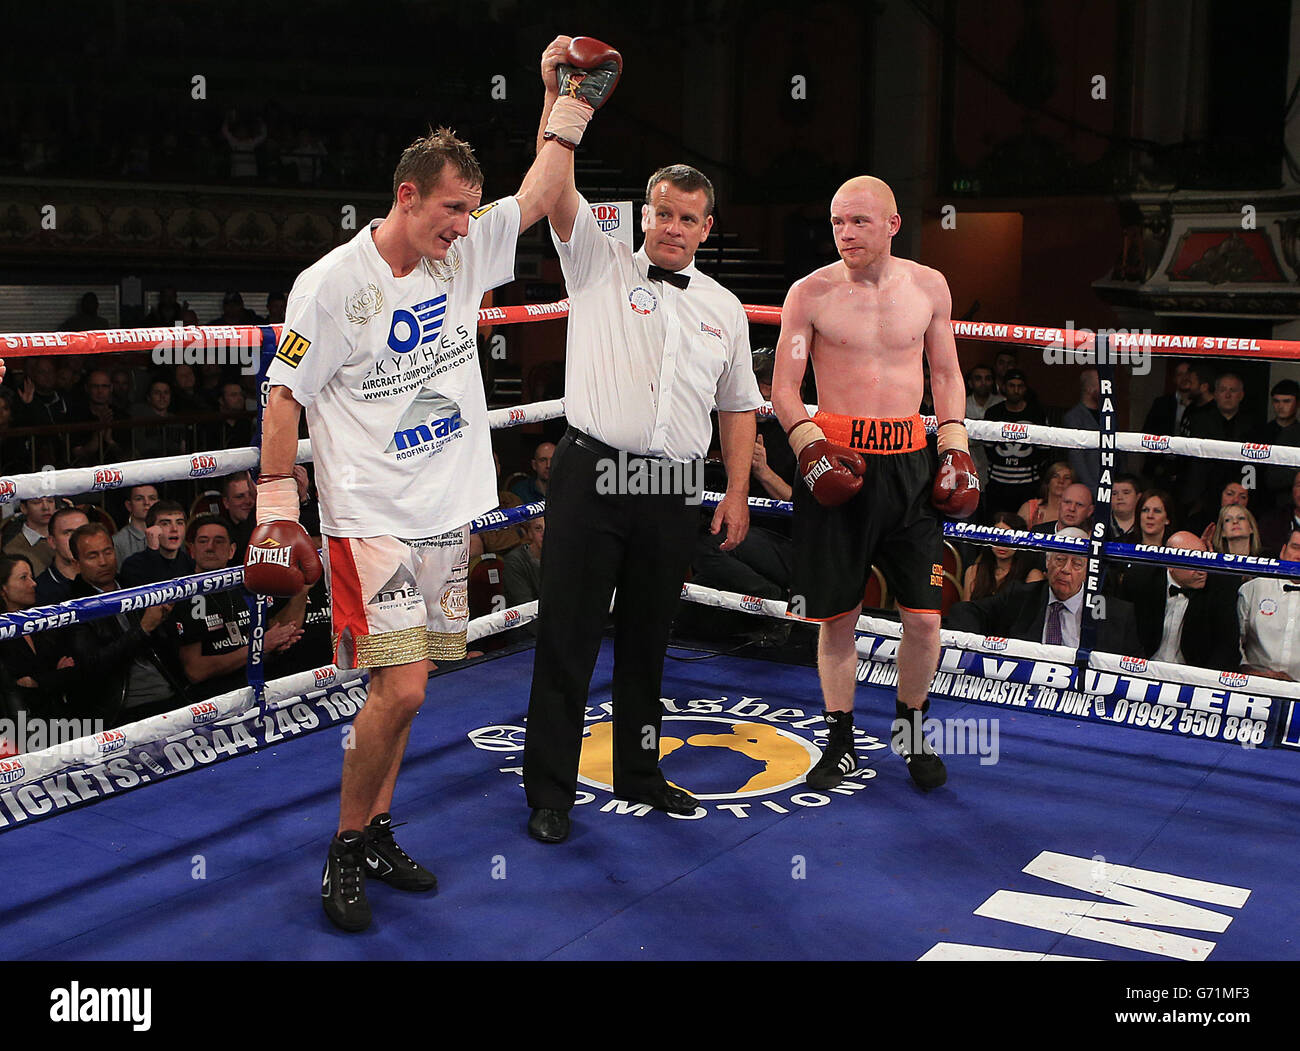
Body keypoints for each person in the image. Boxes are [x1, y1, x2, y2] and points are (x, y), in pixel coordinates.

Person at [245, 35, 591, 932]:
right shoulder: (328, 286)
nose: (460, 226)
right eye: (448, 209)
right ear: (406, 195)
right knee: (394, 690)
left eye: (469, 210)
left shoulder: (462, 254)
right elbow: (284, 396)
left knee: (418, 689)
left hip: (449, 511)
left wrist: (566, 102)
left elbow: (542, 193)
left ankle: (378, 829)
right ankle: (342, 847)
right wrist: (278, 511)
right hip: (372, 521)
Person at [523, 65, 762, 842]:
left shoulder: (725, 308)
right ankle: (551, 792)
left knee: (650, 639)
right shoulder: (598, 260)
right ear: (645, 214)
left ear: (706, 226)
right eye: (662, 211)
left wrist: (732, 491)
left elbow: (737, 406)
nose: (672, 226)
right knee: (568, 634)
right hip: (594, 470)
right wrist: (560, 100)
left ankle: (642, 771)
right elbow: (553, 187)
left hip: (672, 484)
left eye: (688, 217)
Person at [769, 174, 978, 796]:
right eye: (837, 222)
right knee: (837, 617)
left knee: (923, 620)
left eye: (859, 221)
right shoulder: (809, 294)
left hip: (910, 467)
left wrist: (956, 444)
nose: (846, 233)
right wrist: (808, 446)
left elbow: (945, 372)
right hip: (838, 456)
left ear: (892, 224)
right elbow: (784, 388)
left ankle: (912, 734)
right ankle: (838, 739)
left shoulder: (930, 286)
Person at [947, 528, 1140, 653]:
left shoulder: (1114, 613)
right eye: (1060, 559)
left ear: (1088, 572)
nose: (1065, 569)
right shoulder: (1020, 596)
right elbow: (965, 611)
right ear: (1047, 562)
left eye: (1077, 563)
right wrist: (972, 647)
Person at [63, 523, 183, 726]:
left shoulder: (134, 586)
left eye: (107, 552)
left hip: (171, 692)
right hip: (123, 710)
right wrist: (143, 630)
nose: (103, 562)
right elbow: (91, 666)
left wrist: (166, 622)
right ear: (76, 563)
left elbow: (170, 647)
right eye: (92, 556)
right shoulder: (74, 607)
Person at [173, 516, 301, 701]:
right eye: (203, 541)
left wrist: (276, 644)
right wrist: (259, 646)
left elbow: (266, 638)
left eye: (219, 541)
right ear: (191, 550)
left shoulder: (248, 586)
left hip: (262, 685)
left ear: (231, 550)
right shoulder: (183, 596)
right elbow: (195, 671)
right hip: (216, 698)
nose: (210, 547)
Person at [1119, 531, 1241, 670]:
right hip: (1144, 669)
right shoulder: (1140, 580)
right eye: (1194, 563)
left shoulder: (1219, 588)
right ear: (1170, 564)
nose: (1202, 571)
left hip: (1193, 676)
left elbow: (1227, 648)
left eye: (1205, 562)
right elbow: (1122, 635)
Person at [0, 554, 78, 724]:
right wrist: (52, 676)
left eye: (32, 577)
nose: (33, 583)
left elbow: (70, 670)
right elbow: (15, 687)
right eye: (23, 578)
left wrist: (38, 681)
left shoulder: (42, 622)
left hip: (61, 717)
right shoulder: (2, 635)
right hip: (19, 727)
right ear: (3, 589)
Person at [1237, 527, 1300, 681]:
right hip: (1251, 682)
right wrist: (1252, 674)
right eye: (1295, 547)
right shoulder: (1255, 588)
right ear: (1283, 551)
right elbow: (1233, 641)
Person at [983, 369, 1047, 514]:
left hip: (1028, 484)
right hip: (997, 483)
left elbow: (1044, 449)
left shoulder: (1036, 413)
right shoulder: (993, 413)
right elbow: (988, 448)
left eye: (1020, 386)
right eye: (1012, 385)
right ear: (1004, 387)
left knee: (1025, 526)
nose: (1016, 390)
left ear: (1025, 388)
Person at [962, 512, 1044, 600]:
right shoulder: (973, 572)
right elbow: (965, 611)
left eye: (1008, 537)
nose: (1002, 544)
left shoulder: (1032, 576)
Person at [119, 501, 195, 587]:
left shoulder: (190, 564)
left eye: (179, 523)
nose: (174, 529)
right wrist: (153, 551)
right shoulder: (133, 566)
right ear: (151, 529)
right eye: (165, 523)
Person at [34, 506, 88, 605]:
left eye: (83, 531)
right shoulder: (40, 592)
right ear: (52, 541)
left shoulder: (106, 576)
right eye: (68, 533)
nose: (76, 539)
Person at [1063, 366, 1104, 493]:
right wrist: (1091, 489)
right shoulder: (1074, 417)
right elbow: (1076, 457)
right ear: (1089, 388)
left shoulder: (1107, 415)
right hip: (1088, 488)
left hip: (1109, 484)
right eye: (1101, 386)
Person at [3, 496, 56, 575]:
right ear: (23, 508)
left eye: (50, 501)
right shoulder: (11, 550)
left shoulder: (64, 538)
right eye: (37, 502)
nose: (46, 507)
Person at [503, 515, 544, 611]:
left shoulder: (562, 556)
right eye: (538, 529)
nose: (544, 533)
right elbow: (525, 607)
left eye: (550, 527)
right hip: (529, 620)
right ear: (529, 533)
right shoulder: (514, 561)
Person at [113, 484, 159, 566]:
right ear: (129, 505)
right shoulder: (118, 541)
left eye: (152, 498)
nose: (147, 503)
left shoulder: (169, 534)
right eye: (139, 499)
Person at [1017, 462, 1073, 529]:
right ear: (1048, 482)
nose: (1061, 481)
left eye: (1067, 478)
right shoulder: (1029, 508)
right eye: (1055, 476)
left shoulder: (1075, 512)